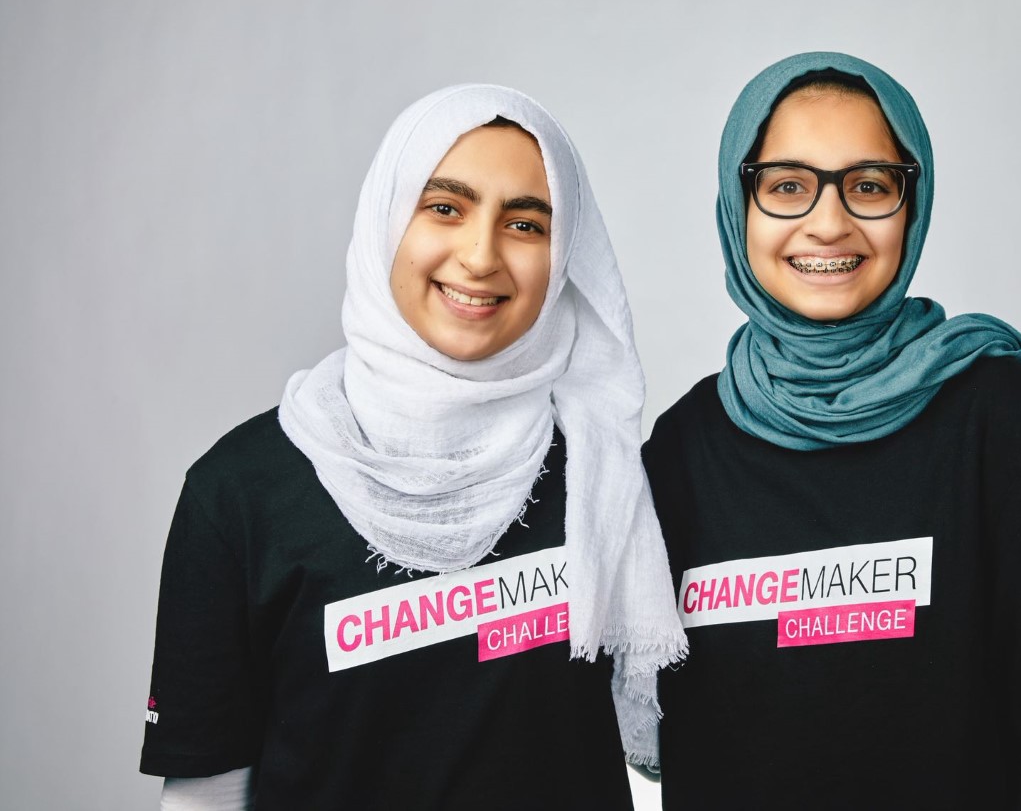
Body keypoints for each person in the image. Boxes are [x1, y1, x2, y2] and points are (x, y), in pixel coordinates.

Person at [140, 84, 686, 810]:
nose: (482, 254)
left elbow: (645, 758)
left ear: (564, 259)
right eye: (445, 207)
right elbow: (208, 794)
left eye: (525, 223)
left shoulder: (601, 469)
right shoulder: (239, 493)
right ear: (387, 217)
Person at [643, 52, 1021, 809]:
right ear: (735, 206)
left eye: (869, 185)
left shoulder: (1004, 418)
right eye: (787, 186)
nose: (829, 221)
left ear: (913, 205)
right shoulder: (678, 451)